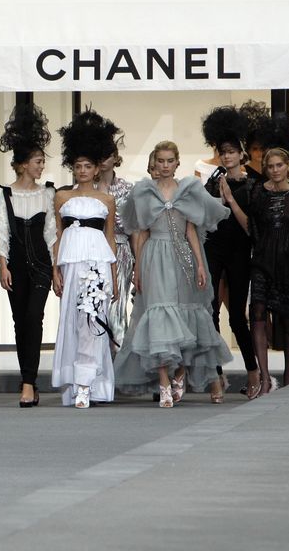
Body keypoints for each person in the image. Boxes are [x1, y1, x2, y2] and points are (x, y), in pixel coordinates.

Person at [115, 141, 233, 407]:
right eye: (161, 160)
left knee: (185, 314)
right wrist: (137, 267)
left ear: (177, 163)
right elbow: (140, 232)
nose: (165, 165)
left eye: (170, 160)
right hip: (154, 256)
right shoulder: (144, 191)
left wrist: (201, 266)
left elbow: (191, 230)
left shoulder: (188, 190)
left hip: (183, 257)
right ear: (154, 162)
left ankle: (180, 372)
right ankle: (164, 383)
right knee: (158, 313)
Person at [48, 111, 119, 409]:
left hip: (98, 263)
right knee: (73, 322)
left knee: (92, 321)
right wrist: (55, 270)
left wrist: (114, 275)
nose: (82, 170)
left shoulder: (107, 201)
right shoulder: (62, 198)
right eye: (77, 166)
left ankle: (88, 385)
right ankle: (76, 382)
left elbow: (112, 237)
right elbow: (57, 235)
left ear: (95, 169)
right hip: (72, 262)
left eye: (87, 166)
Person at [246, 113, 289, 393]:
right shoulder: (258, 195)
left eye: (279, 165)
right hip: (262, 262)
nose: (275, 170)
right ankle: (264, 377)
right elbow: (252, 228)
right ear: (265, 168)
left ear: (288, 167)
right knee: (258, 315)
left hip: (287, 262)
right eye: (270, 166)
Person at [0, 103, 55, 408]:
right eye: (37, 161)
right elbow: (2, 233)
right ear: (22, 165)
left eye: (42, 161)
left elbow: (52, 235)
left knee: (34, 316)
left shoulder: (48, 194)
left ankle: (29, 383)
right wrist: (2, 266)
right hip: (15, 264)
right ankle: (26, 379)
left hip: (42, 264)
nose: (41, 167)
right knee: (20, 321)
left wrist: (56, 269)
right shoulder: (4, 194)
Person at [200, 105, 260, 398]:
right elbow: (206, 220)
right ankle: (216, 377)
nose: (227, 156)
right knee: (209, 310)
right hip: (214, 247)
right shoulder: (212, 181)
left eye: (231, 151)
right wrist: (216, 198)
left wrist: (229, 200)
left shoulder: (253, 185)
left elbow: (250, 227)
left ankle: (254, 373)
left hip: (239, 250)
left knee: (237, 315)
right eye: (222, 152)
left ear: (241, 154)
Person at [94, 122, 134, 352]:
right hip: (94, 250)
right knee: (96, 305)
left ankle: (118, 363)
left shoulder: (127, 188)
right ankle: (98, 364)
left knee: (117, 308)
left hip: (120, 250)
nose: (104, 160)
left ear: (115, 157)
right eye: (100, 155)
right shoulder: (88, 188)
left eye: (108, 155)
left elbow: (129, 225)